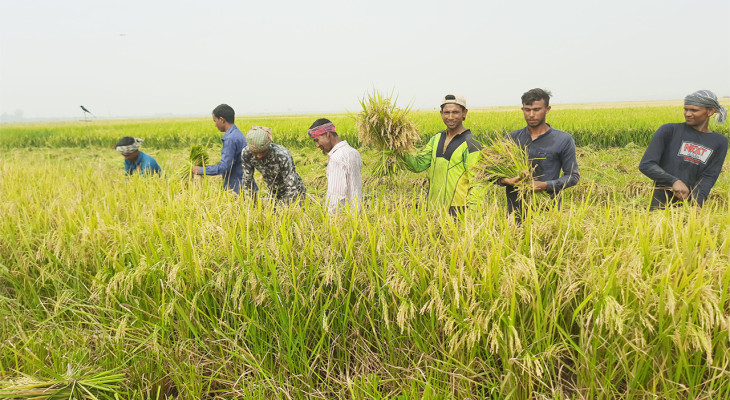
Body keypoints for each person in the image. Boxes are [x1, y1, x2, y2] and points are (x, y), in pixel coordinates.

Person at [639, 89, 727, 210]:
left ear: (710, 111)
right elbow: (646, 164)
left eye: (694, 110)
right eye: (686, 109)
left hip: (689, 207)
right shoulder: (669, 130)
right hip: (660, 206)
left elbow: (709, 175)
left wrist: (697, 202)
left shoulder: (719, 141)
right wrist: (674, 181)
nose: (688, 113)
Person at [500, 88, 580, 219]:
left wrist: (544, 185)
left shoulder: (563, 140)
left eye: (536, 110)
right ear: (522, 110)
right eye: (527, 109)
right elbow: (492, 175)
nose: (531, 114)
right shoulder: (511, 139)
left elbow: (573, 176)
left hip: (548, 213)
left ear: (547, 109)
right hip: (515, 214)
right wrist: (507, 180)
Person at [401, 94, 482, 216]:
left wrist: (471, 215)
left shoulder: (471, 143)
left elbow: (478, 184)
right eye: (446, 112)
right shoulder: (436, 139)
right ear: (441, 114)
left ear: (464, 113)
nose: (450, 117)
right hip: (433, 208)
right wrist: (398, 147)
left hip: (458, 211)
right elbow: (417, 165)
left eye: (455, 112)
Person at [192, 104, 256, 194]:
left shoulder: (230, 139)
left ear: (222, 120)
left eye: (215, 121)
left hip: (238, 190)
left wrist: (200, 170)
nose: (215, 125)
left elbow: (224, 167)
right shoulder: (237, 133)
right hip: (247, 185)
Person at [308, 118, 363, 214]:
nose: (317, 145)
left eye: (317, 140)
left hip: (343, 218)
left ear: (327, 134)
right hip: (357, 213)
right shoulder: (354, 152)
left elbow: (336, 194)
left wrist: (331, 218)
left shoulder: (337, 158)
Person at [241, 126, 306, 203]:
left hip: (294, 192)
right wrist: (249, 204)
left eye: (262, 152)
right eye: (255, 152)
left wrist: (285, 207)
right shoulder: (246, 153)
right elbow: (247, 180)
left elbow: (292, 187)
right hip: (273, 192)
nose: (259, 156)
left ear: (268, 146)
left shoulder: (281, 155)